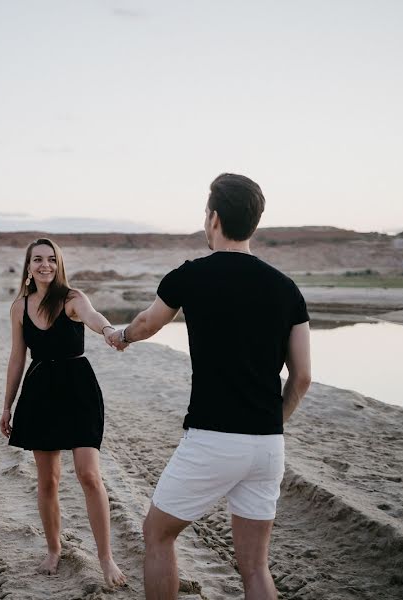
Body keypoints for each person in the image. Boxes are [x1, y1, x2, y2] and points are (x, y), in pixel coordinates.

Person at [108, 173, 312, 600]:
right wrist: (271, 422)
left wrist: (121, 336)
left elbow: (147, 323)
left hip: (213, 439)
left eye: (206, 213)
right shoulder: (286, 289)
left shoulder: (190, 276)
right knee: (255, 568)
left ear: (214, 218)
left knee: (157, 535)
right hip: (268, 446)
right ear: (253, 222)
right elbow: (303, 376)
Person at [0, 237, 127, 588]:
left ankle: (106, 557)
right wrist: (7, 405)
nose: (45, 265)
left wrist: (109, 330)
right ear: (28, 267)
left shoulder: (72, 298)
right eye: (37, 259)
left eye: (51, 260)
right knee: (48, 480)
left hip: (78, 390)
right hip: (40, 391)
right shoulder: (19, 307)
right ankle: (54, 549)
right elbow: (16, 358)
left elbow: (94, 317)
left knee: (89, 475)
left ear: (59, 264)